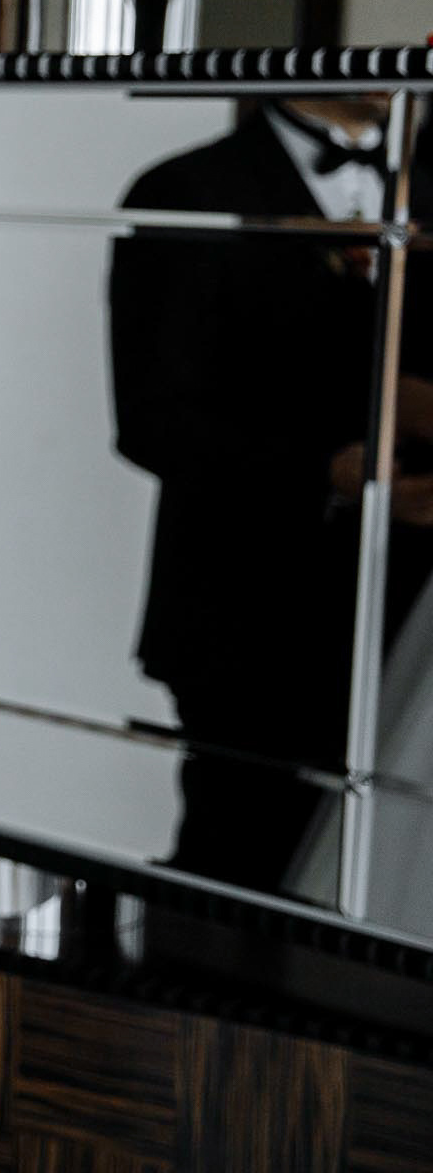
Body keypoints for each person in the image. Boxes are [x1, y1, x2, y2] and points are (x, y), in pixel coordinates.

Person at [111, 94, 433, 894]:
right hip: (245, 617)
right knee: (239, 868)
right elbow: (152, 422)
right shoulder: (186, 188)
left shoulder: (425, 186)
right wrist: (324, 471)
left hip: (412, 616)